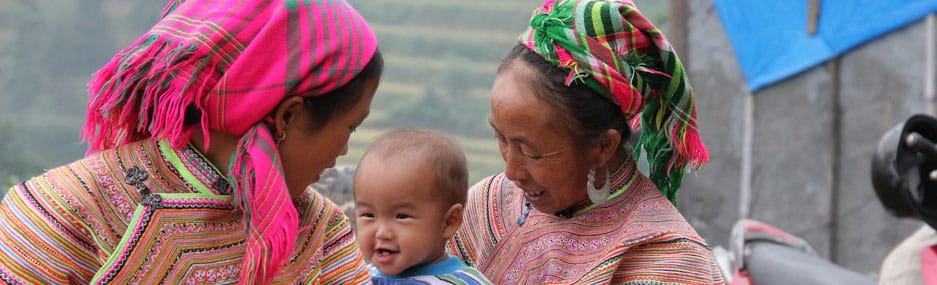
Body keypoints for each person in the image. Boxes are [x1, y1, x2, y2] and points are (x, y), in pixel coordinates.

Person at [0, 0, 382, 284]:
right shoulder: (66, 213)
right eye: (349, 127)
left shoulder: (321, 230)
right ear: (288, 116)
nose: (344, 153)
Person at [447, 0, 726, 283]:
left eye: (531, 152)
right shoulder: (487, 208)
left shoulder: (669, 265)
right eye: (502, 139)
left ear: (603, 146)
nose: (511, 172)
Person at [353, 130, 492, 284]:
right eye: (368, 215)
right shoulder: (359, 279)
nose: (382, 233)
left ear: (449, 222)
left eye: (401, 216)